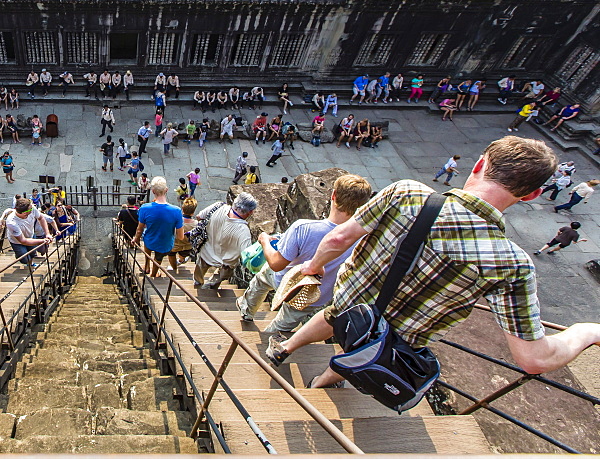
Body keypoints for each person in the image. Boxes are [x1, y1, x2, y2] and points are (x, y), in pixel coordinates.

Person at [269, 136, 600, 391]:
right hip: (396, 339)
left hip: (349, 304)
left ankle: (285, 346)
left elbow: (338, 239)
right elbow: (534, 358)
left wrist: (313, 266)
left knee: (334, 315)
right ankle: (321, 383)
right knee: (363, 353)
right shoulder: (512, 264)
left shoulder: (407, 193)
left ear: (478, 165)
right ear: (531, 195)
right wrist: (584, 333)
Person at [237, 174, 372, 333]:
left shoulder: (303, 228)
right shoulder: (364, 240)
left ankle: (247, 311)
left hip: (285, 281)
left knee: (262, 278)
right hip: (313, 296)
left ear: (333, 195)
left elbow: (276, 264)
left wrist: (264, 240)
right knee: (284, 325)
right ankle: (271, 341)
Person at [193, 192, 258, 288]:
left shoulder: (218, 206)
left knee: (199, 269)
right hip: (225, 262)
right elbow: (246, 255)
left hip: (206, 251)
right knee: (220, 276)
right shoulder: (244, 231)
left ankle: (198, 282)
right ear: (250, 212)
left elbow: (199, 216)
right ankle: (212, 286)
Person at [132, 177, 184, 278]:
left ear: (153, 191)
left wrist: (136, 239)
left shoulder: (145, 208)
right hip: (165, 243)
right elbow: (180, 237)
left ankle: (147, 266)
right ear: (166, 190)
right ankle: (153, 274)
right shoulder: (176, 211)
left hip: (149, 240)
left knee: (147, 241)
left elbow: (139, 229)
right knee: (158, 258)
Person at [2, 197, 54, 269]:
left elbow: (41, 218)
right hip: (17, 241)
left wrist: (47, 234)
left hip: (30, 235)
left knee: (32, 253)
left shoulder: (31, 209)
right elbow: (23, 241)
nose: (33, 208)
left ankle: (30, 264)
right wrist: (43, 241)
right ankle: (20, 256)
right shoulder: (11, 222)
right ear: (24, 213)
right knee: (24, 258)